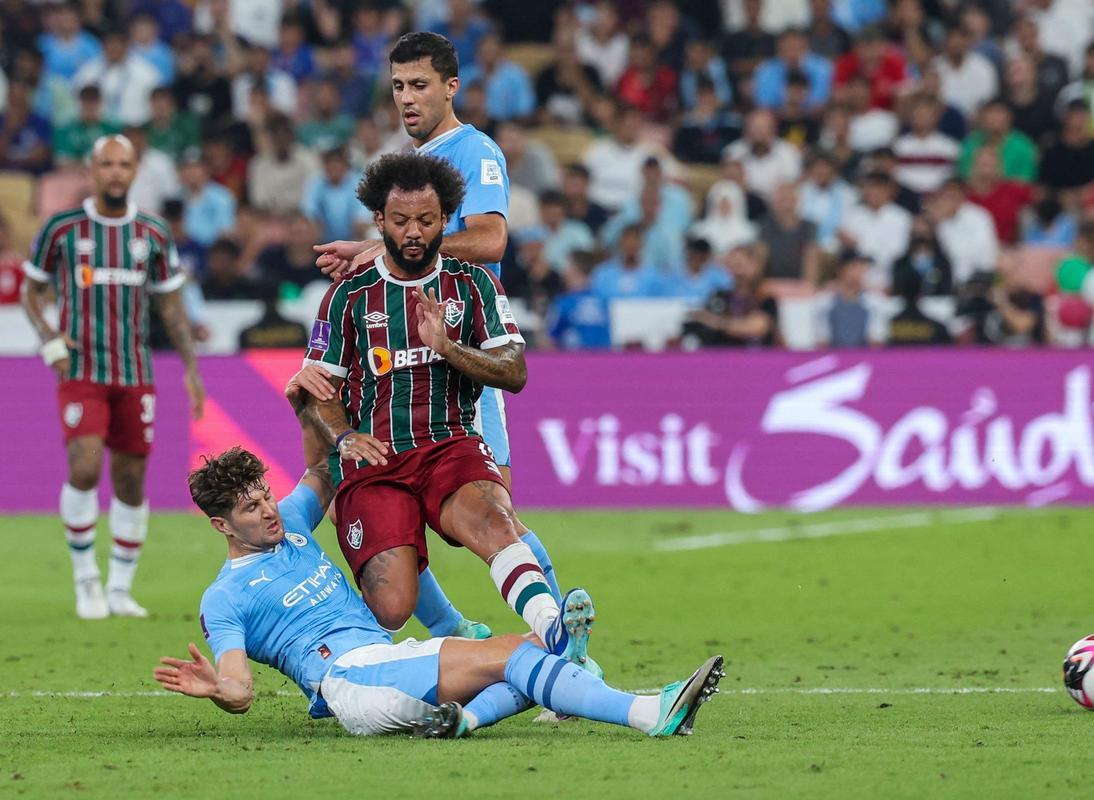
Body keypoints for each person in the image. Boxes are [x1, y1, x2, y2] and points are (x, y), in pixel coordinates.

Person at [159, 438, 723, 737]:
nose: (267, 511)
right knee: (518, 653)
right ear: (222, 526)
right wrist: (218, 690)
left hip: (384, 660)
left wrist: (309, 397)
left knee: (525, 656)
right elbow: (240, 687)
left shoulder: (294, 524)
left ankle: (468, 719)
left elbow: (325, 465)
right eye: (249, 509)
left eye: (263, 495)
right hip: (350, 679)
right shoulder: (225, 597)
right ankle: (649, 713)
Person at [310, 33, 563, 646]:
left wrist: (387, 245)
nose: (407, 98)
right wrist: (380, 253)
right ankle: (473, 634)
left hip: (464, 362)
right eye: (397, 86)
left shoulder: (473, 150)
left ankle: (565, 652)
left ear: (452, 87)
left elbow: (490, 240)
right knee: (397, 519)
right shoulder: (414, 160)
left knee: (499, 517)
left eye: (420, 85)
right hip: (400, 365)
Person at [299, 153, 594, 678]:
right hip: (378, 459)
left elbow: (514, 370)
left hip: (449, 444)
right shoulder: (347, 296)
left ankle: (554, 631)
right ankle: (427, 650)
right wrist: (343, 437)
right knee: (391, 605)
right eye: (401, 221)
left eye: (427, 221)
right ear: (379, 221)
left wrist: (448, 346)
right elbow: (318, 386)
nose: (414, 232)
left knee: (493, 520)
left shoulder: (473, 282)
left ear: (447, 217)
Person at [19, 135, 205, 619]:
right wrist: (49, 340)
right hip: (81, 370)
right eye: (107, 164)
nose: (116, 172)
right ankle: (86, 582)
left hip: (135, 371)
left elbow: (170, 304)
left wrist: (191, 369)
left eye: (124, 164)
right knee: (83, 467)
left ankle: (120, 588)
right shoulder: (62, 228)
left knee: (130, 480)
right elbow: (31, 291)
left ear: (136, 169)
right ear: (92, 168)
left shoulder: (153, 233)